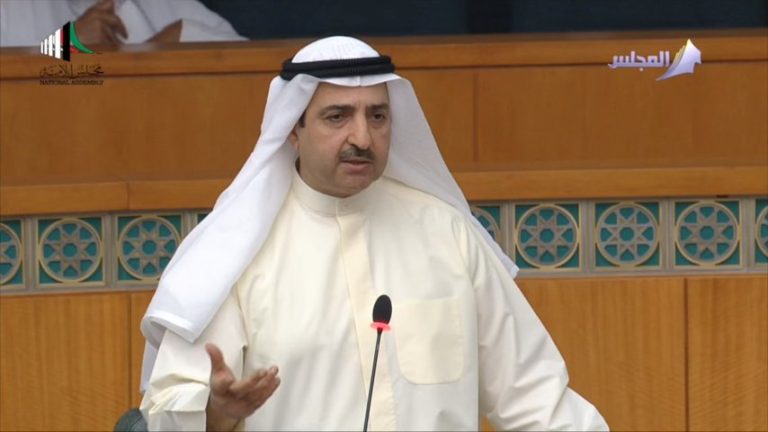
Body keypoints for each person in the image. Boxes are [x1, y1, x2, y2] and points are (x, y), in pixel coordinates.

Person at [139, 36, 609, 431]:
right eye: (337, 116)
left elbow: (536, 398)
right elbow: (163, 413)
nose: (362, 138)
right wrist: (218, 413)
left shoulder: (446, 233)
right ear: (293, 130)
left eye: (377, 116)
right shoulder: (234, 252)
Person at [0, 0, 244, 47]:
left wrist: (157, 55)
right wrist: (68, 45)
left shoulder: (170, 6)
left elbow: (255, 78)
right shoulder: (10, 9)